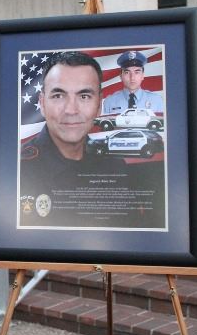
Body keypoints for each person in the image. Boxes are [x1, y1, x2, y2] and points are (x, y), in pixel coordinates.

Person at [19, 51, 164, 229]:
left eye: (84, 96)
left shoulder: (116, 167)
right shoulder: (17, 169)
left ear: (98, 106)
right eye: (58, 95)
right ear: (42, 103)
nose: (71, 110)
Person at [101, 50, 164, 114]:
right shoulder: (109, 102)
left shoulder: (156, 100)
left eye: (137, 72)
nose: (132, 77)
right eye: (127, 72)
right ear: (121, 76)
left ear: (142, 75)